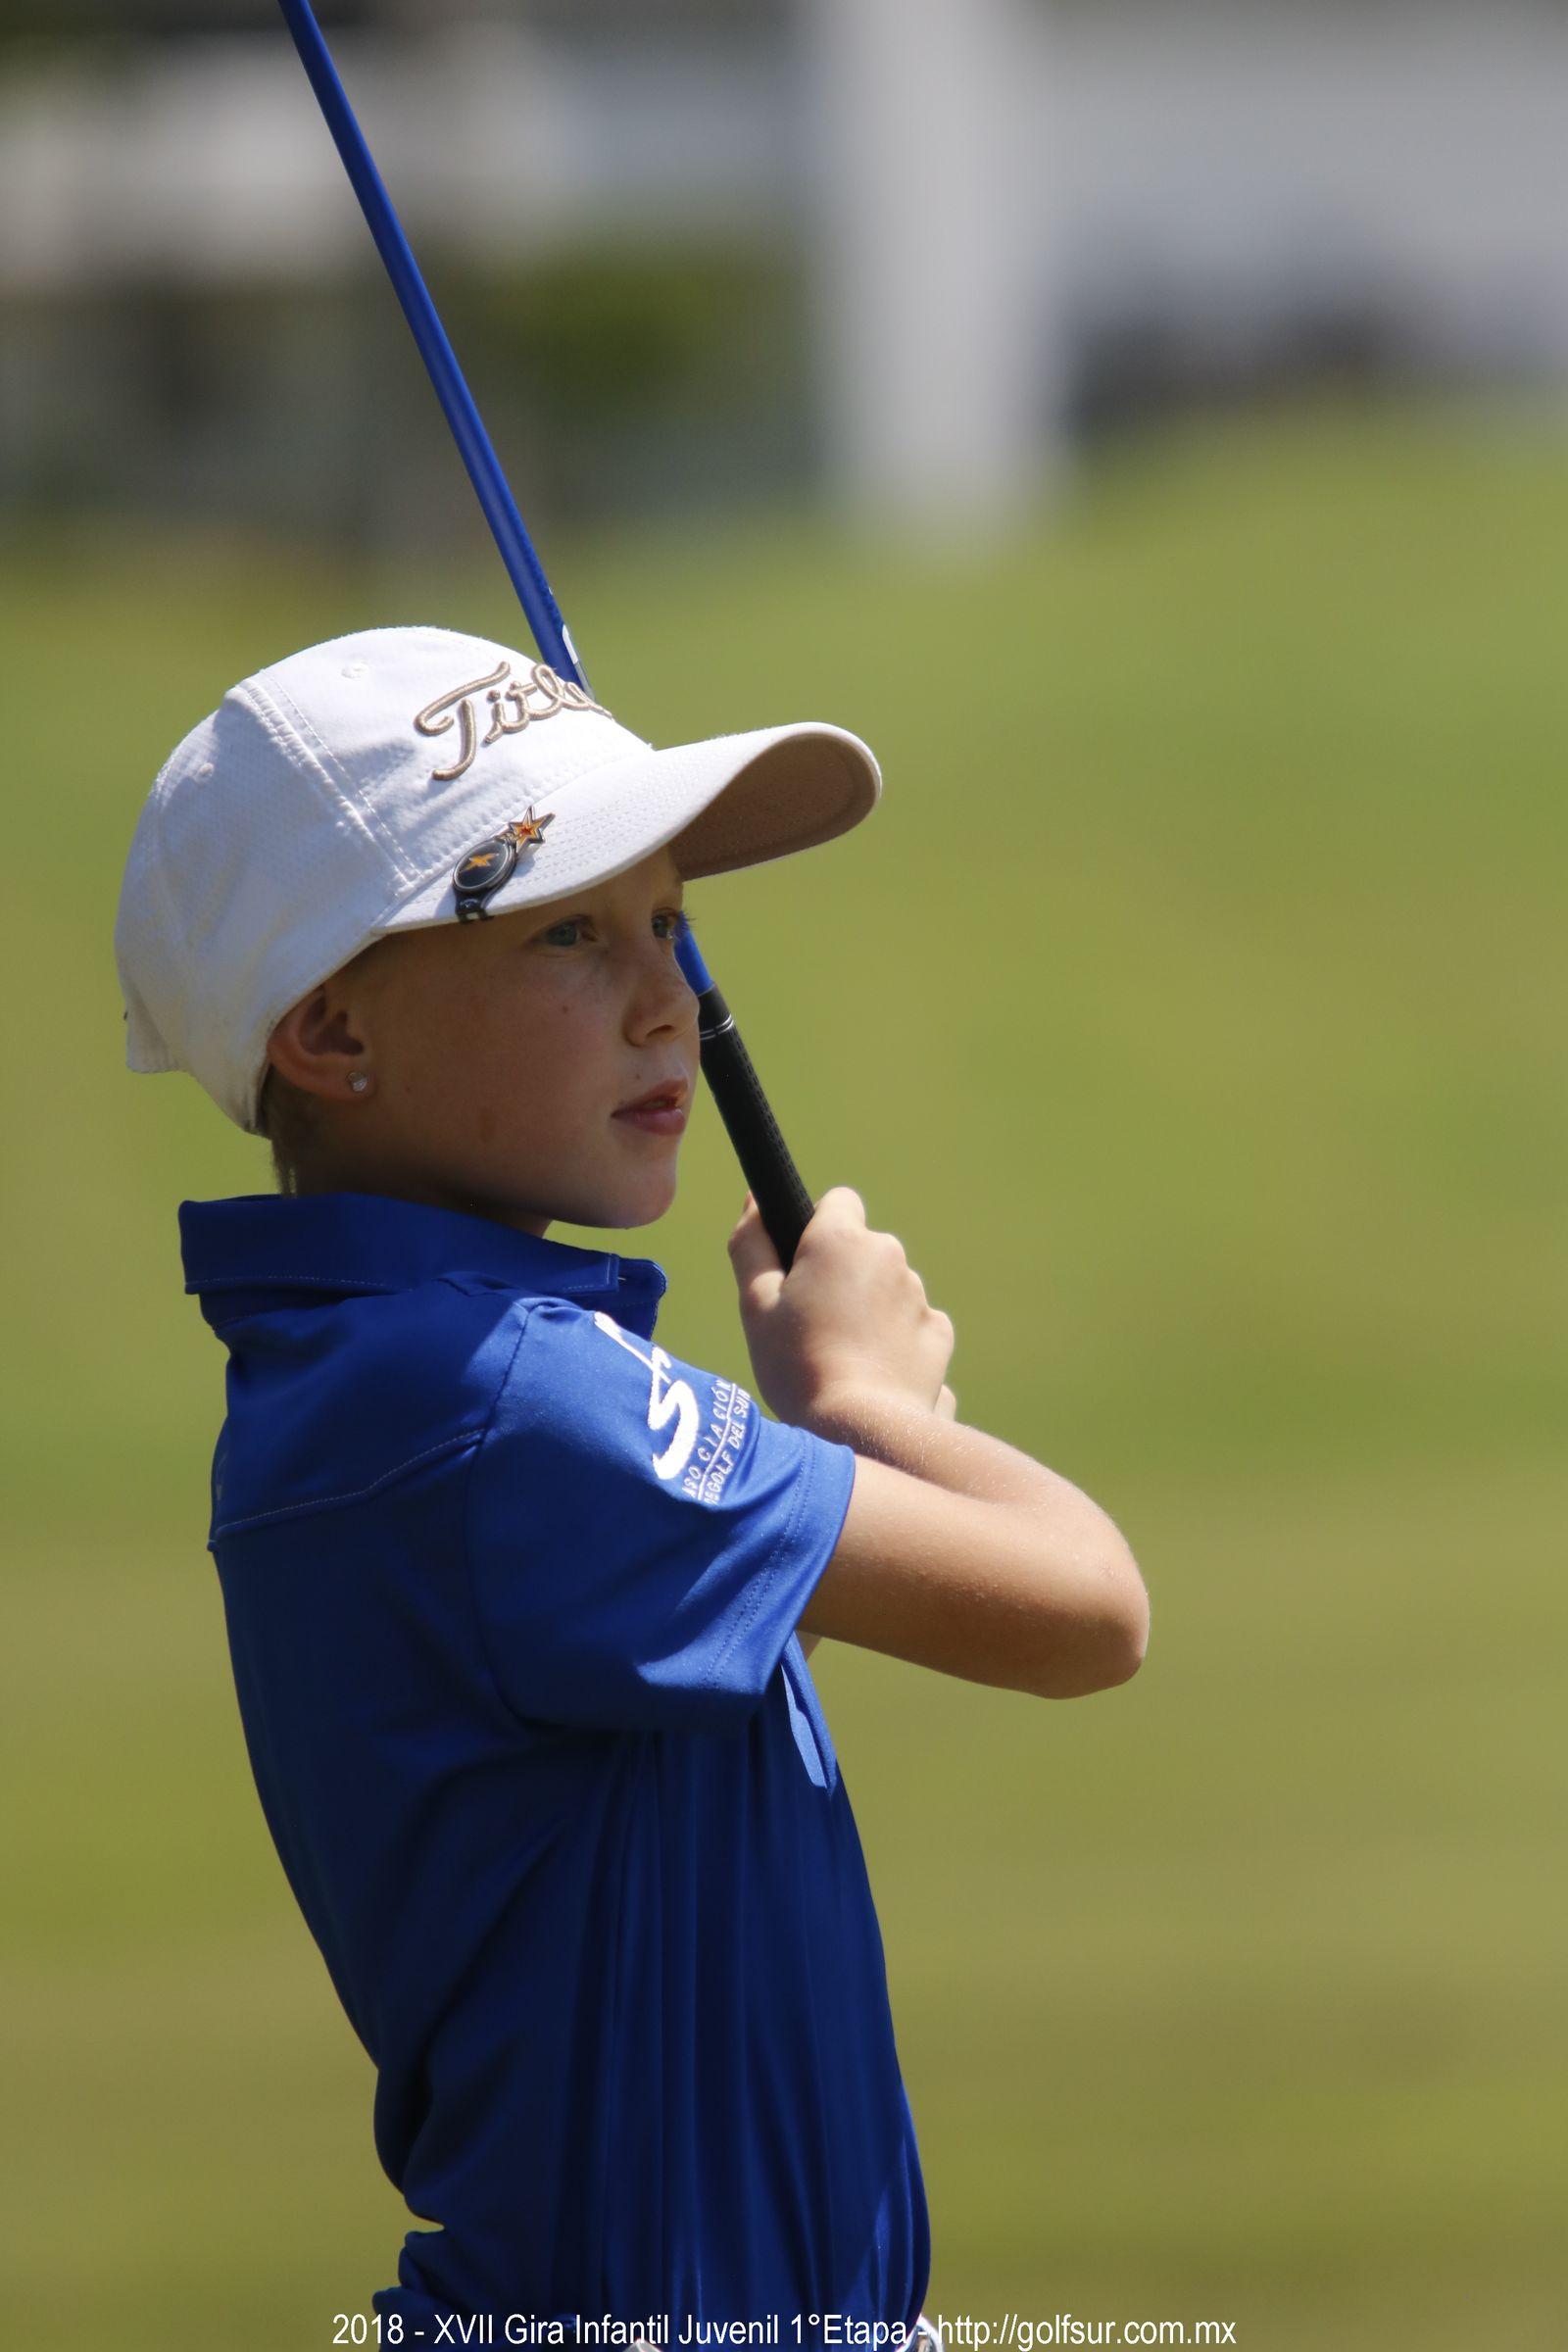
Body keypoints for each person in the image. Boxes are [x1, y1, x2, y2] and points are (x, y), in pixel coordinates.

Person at [114, 623, 1150, 2349]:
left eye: (666, 920)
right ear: (331, 1029)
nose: (666, 999)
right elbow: (1087, 1611)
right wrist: (866, 1407)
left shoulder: (396, 1374)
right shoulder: (493, 1397)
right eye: (569, 932)